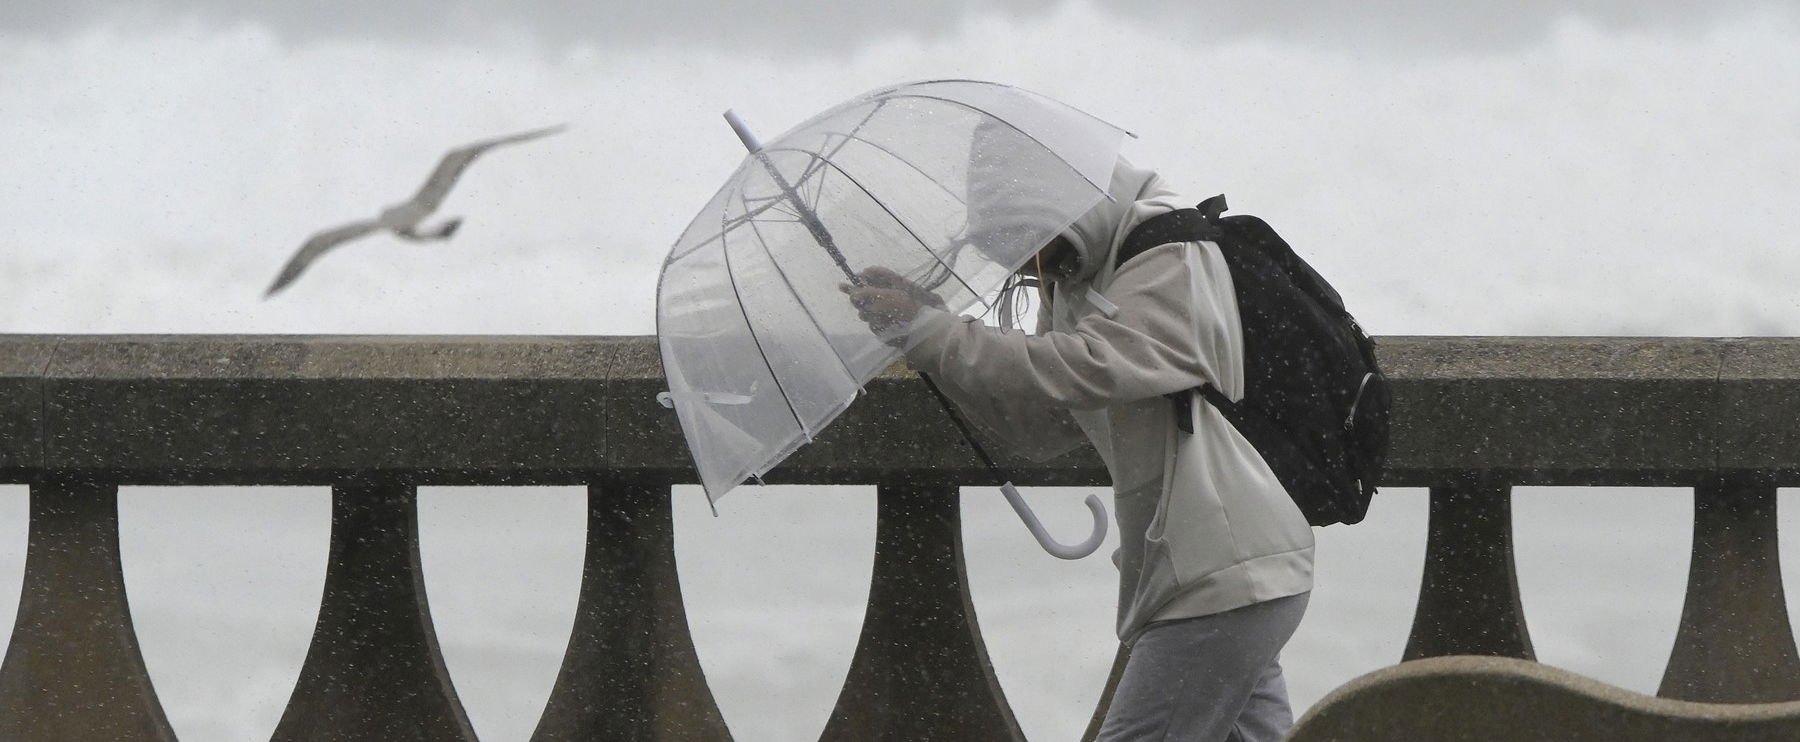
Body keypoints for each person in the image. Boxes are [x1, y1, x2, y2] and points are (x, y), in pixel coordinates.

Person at [845, 152, 1315, 741]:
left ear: (1058, 207)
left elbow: (1085, 368)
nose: (1026, 264)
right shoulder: (1080, 275)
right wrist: (932, 326)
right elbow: (1045, 421)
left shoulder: (1168, 249)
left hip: (1222, 571)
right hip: (1215, 573)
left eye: (1025, 240)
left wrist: (932, 331)